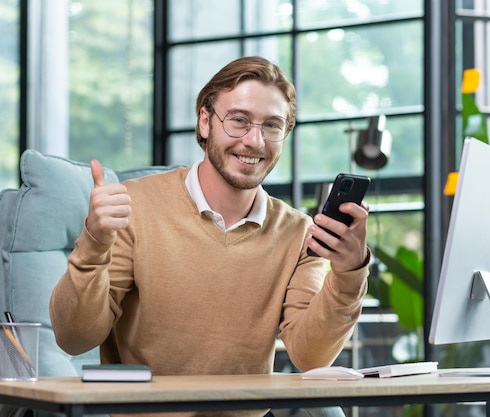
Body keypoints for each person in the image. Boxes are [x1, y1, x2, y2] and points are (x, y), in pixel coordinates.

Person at [49, 56, 370, 416]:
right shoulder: (134, 206)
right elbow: (74, 338)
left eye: (272, 126)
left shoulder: (298, 232)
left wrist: (350, 271)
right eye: (238, 121)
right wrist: (94, 242)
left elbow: (311, 356)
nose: (255, 141)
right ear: (205, 121)